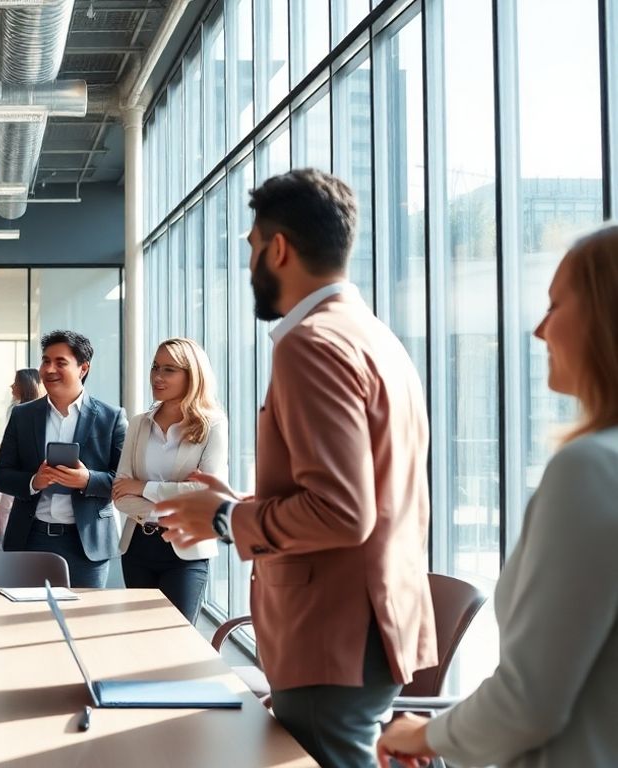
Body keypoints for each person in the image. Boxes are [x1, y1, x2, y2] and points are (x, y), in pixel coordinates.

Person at [155, 169, 435, 768]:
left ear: (277, 248)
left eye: (252, 246)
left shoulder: (312, 343)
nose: (249, 263)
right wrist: (239, 505)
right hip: (370, 628)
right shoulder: (375, 337)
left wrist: (226, 518)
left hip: (329, 635)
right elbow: (363, 494)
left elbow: (343, 512)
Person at [377, 227, 618, 768]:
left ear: (606, 314)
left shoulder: (590, 470)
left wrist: (426, 734)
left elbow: (528, 702)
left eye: (555, 305)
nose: (539, 329)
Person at [0, 331, 127, 588]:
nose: (49, 369)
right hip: (30, 538)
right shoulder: (23, 416)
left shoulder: (111, 418)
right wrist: (34, 481)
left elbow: (124, 482)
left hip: (86, 544)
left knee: (83, 613)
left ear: (83, 368)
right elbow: (1, 476)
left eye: (60, 362)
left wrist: (87, 480)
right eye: (45, 361)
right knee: (27, 612)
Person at [111, 337, 227, 624]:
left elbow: (206, 493)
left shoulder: (213, 425)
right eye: (155, 367)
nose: (157, 376)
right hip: (138, 546)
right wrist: (176, 501)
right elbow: (121, 493)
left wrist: (144, 488)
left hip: (187, 550)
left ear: (192, 375)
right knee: (141, 634)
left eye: (169, 369)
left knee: (179, 636)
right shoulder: (139, 423)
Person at [0, 368, 44, 543]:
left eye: (15, 382)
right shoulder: (17, 410)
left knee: (5, 511)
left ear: (24, 385)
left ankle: (4, 547)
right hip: (21, 478)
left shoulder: (23, 412)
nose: (11, 386)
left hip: (24, 477)